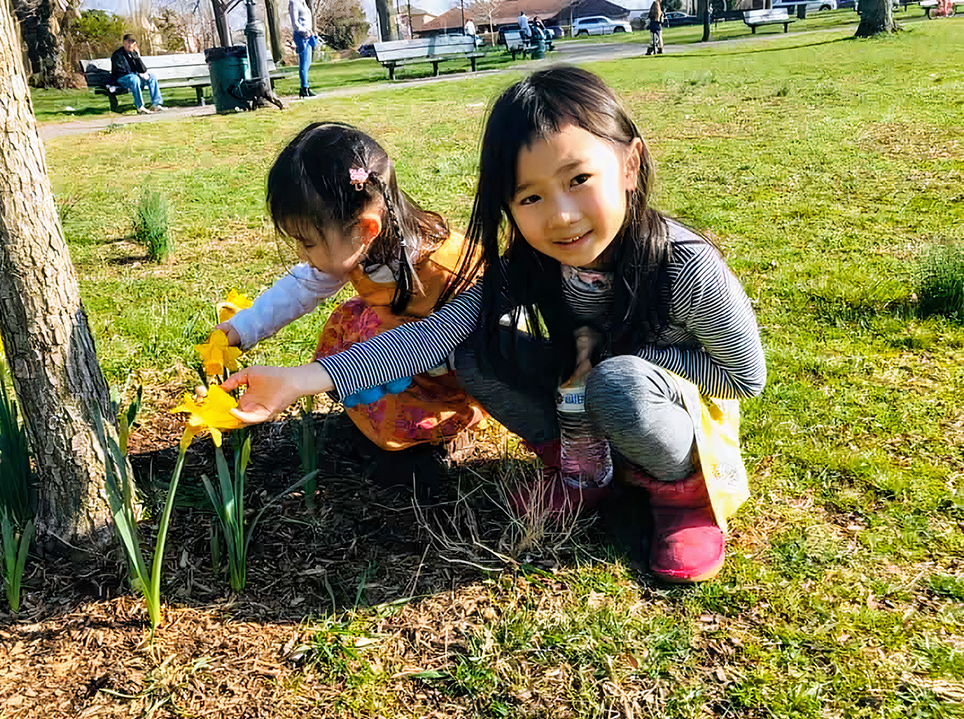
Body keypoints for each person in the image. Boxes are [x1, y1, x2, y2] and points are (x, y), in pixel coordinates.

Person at [223, 67, 766, 584]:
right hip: (582, 400)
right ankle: (579, 473)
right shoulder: (534, 259)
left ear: (629, 165)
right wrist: (300, 380)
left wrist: (622, 363)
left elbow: (745, 378)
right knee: (475, 351)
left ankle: (681, 495)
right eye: (531, 197)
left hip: (667, 414)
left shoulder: (682, 265)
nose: (560, 216)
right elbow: (436, 334)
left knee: (618, 382)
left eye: (578, 179)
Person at [214, 121, 484, 456]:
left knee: (376, 343)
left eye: (307, 243)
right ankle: (379, 417)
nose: (301, 255)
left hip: (452, 368)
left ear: (366, 229)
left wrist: (421, 368)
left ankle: (440, 434)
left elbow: (486, 345)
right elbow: (301, 287)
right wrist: (245, 327)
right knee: (356, 322)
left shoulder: (448, 270)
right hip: (392, 354)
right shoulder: (361, 245)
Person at [110, 34, 163, 114]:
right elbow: (121, 70)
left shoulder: (133, 53)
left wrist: (137, 56)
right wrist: (138, 74)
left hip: (134, 77)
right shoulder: (117, 55)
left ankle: (156, 104)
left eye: (132, 42)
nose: (130, 45)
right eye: (128, 42)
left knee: (152, 76)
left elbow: (143, 69)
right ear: (124, 42)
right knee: (135, 79)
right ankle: (140, 106)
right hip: (122, 79)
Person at [289, 0, 317, 97]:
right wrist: (304, 32)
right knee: (304, 63)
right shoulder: (294, 3)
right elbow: (295, 23)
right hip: (301, 36)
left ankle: (306, 88)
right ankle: (304, 88)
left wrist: (311, 31)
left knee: (307, 63)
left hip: (308, 35)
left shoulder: (303, 2)